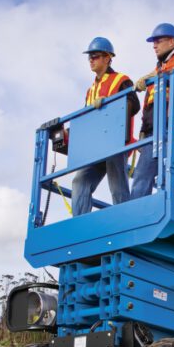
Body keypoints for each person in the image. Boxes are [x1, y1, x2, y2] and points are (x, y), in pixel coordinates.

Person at [131, 23, 174, 200]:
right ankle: (135, 217)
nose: (154, 46)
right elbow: (149, 105)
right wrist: (142, 131)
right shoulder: (157, 70)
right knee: (141, 177)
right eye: (153, 42)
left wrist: (158, 76)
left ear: (172, 42)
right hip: (152, 132)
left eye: (158, 41)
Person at [71, 37, 140, 215]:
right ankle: (80, 224)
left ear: (107, 58)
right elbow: (86, 118)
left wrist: (109, 104)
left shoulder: (121, 80)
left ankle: (124, 221)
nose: (91, 60)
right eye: (89, 57)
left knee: (117, 187)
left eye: (95, 56)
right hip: (96, 147)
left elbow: (133, 104)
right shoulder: (90, 90)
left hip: (116, 143)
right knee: (80, 181)